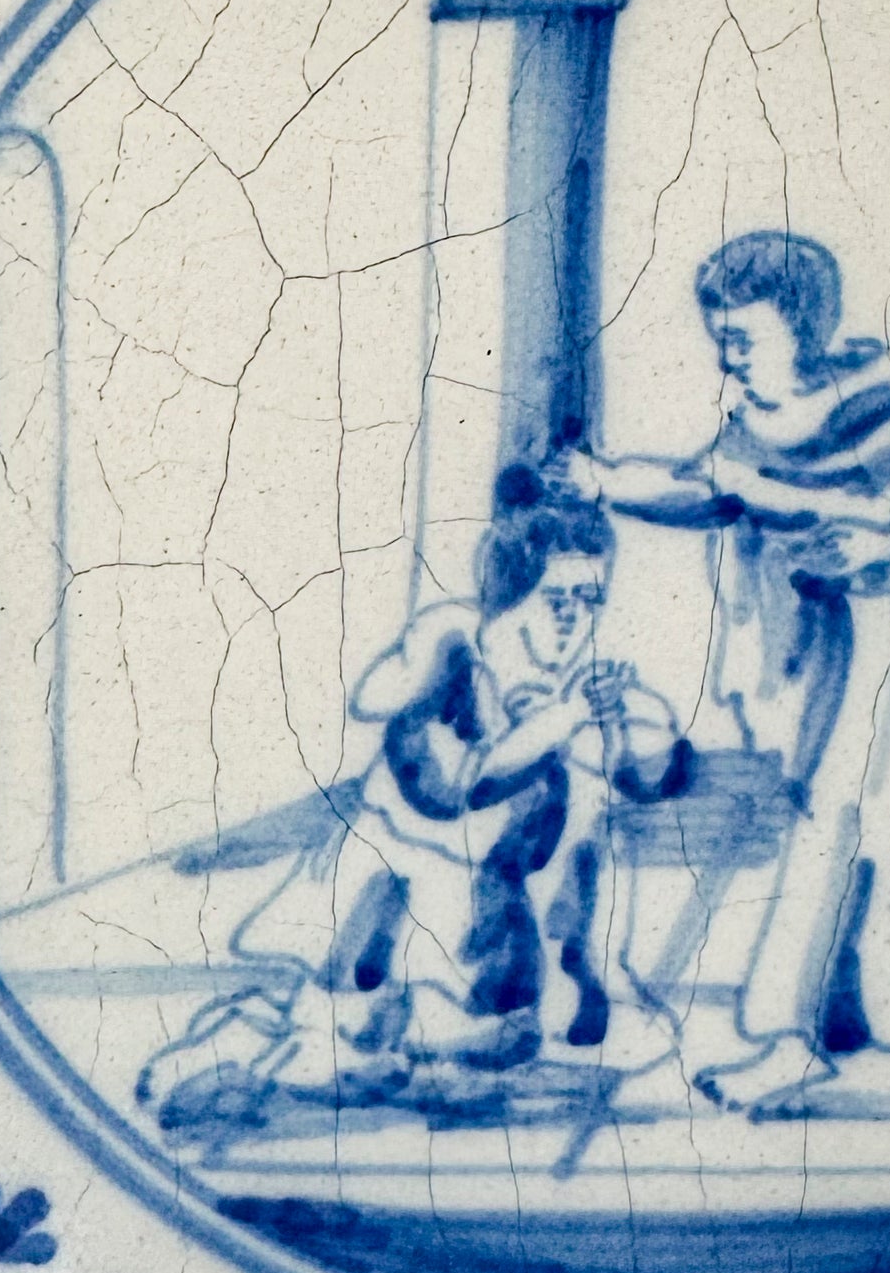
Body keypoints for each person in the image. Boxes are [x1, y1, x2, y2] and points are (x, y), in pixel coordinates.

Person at [561, 230, 890, 1118]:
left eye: (743, 341)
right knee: (827, 827)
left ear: (802, 328)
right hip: (845, 654)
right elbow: (707, 488)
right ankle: (791, 1037)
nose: (728, 361)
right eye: (722, 341)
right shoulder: (759, 429)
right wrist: (604, 481)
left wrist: (886, 539)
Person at [139, 475, 691, 1135]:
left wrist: (627, 722)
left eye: (590, 598)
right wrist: (559, 721)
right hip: (393, 877)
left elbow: (652, 775)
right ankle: (241, 1059)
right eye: (555, 597)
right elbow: (452, 787)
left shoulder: (578, 683)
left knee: (467, 1035)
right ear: (511, 591)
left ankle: (400, 1055)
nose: (573, 618)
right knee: (340, 1022)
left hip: (484, 910)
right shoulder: (455, 649)